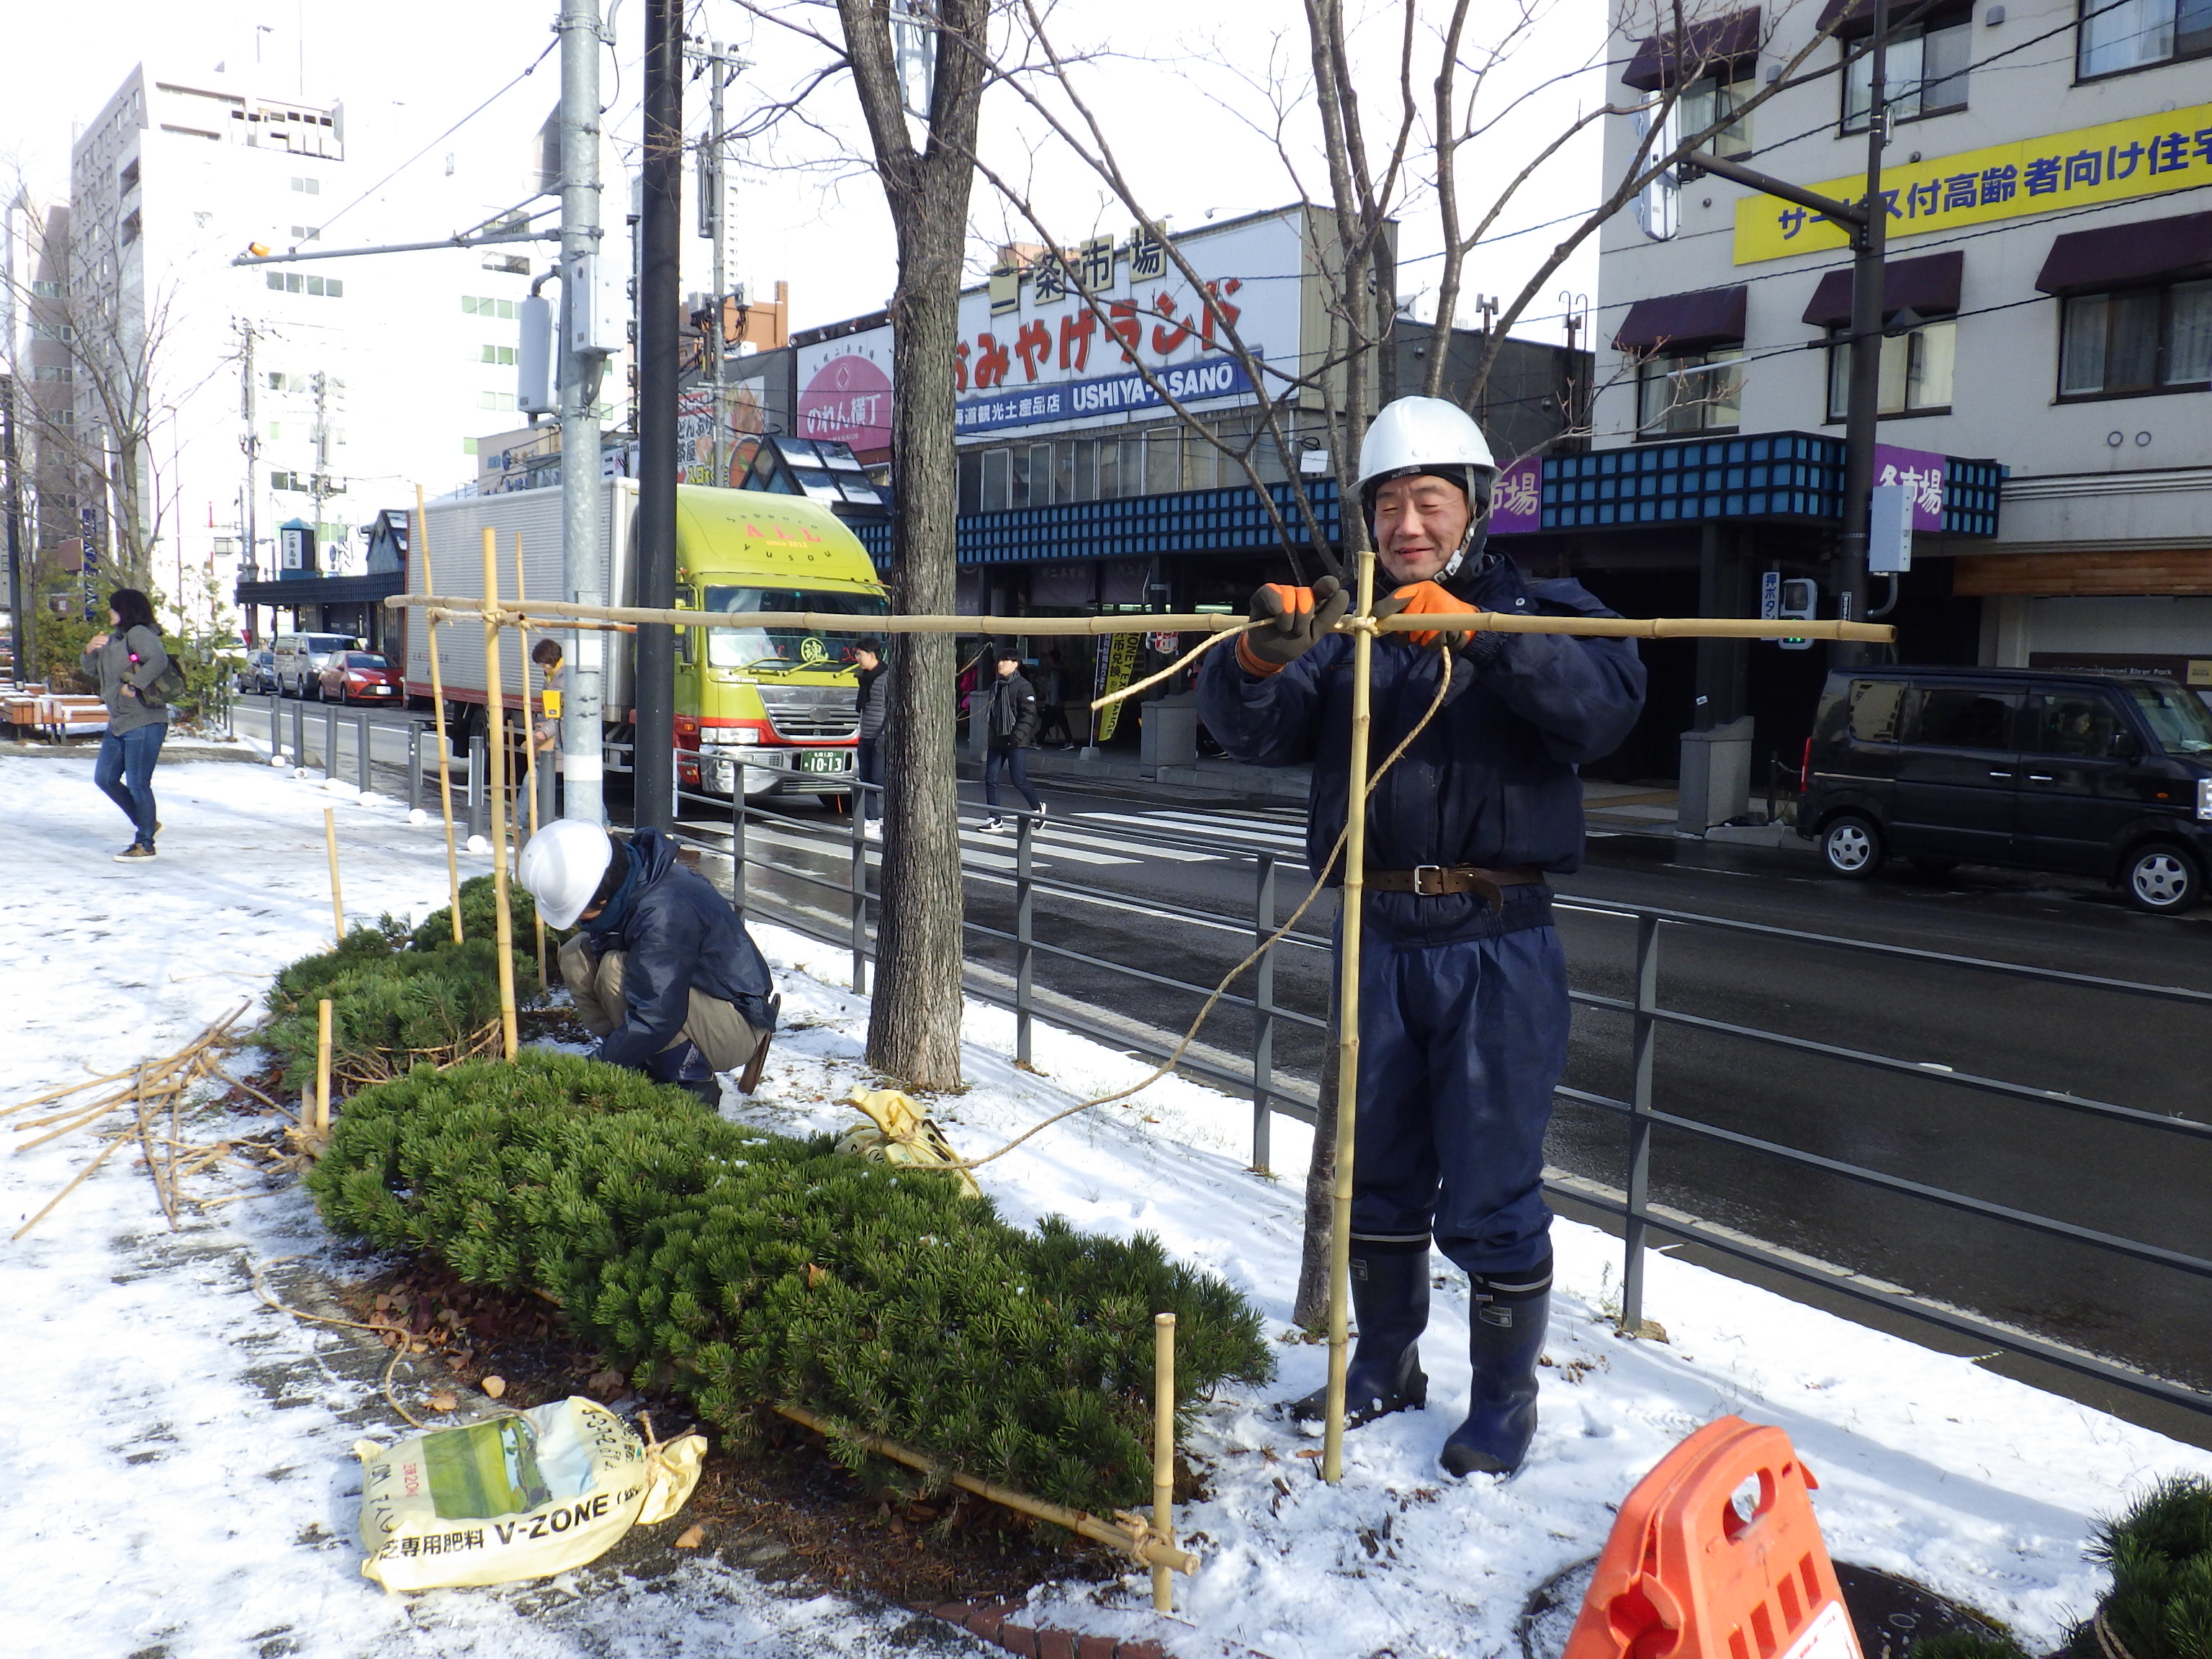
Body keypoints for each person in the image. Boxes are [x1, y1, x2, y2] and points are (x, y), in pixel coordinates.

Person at [1197, 397, 1645, 1478]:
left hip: (1498, 937)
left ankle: (1505, 1401)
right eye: (1388, 502)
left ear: (1474, 508)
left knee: (1493, 1183)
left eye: (1427, 501)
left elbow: (1606, 710)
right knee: (1379, 1172)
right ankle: (1386, 1364)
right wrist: (1258, 658)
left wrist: (1488, 641)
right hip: (1378, 936)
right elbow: (1247, 730)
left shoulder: (1547, 606)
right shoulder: (1352, 627)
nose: (1406, 524)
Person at [518, 818, 780, 1103]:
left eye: (579, 911)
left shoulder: (664, 911)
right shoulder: (632, 879)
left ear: (602, 898)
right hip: (695, 1005)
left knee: (614, 969)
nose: (579, 919)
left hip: (736, 1025)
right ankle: (634, 1061)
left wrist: (589, 1072)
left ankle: (691, 1082)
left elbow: (657, 1015)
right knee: (576, 954)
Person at [84, 588, 173, 862]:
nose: (109, 612)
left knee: (137, 783)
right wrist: (89, 651)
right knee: (105, 778)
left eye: (113, 608)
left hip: (145, 720)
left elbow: (159, 660)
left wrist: (134, 685)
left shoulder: (139, 634)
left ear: (126, 610)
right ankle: (147, 822)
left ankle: (145, 843)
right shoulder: (115, 639)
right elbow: (91, 670)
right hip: (120, 721)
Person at [979, 646, 1043, 832]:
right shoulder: (996, 686)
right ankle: (995, 818)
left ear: (1015, 664)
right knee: (991, 778)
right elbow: (993, 713)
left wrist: (1017, 737)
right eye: (999, 660)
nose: (1000, 664)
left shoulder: (1023, 687)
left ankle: (1037, 808)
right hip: (997, 740)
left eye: (1005, 661)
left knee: (1019, 779)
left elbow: (1029, 715)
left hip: (1016, 742)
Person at [852, 637, 891, 835]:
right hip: (865, 734)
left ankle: (892, 815)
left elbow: (891, 709)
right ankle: (871, 819)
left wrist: (883, 735)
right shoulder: (863, 677)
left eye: (860, 654)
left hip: (881, 737)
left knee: (879, 778)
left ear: (872, 655)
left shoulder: (886, 677)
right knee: (865, 778)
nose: (857, 658)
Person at [1034, 645, 1074, 748]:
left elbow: (1054, 688)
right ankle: (1069, 741)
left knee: (1048, 722)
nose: (1047, 660)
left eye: (1048, 658)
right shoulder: (1062, 669)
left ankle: (1039, 742)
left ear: (1052, 658)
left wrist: (1052, 703)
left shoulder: (1054, 671)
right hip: (1057, 701)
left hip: (1053, 701)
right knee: (1059, 721)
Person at [531, 637, 565, 753]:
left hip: (561, 737)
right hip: (557, 733)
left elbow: (562, 713)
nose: (543, 669)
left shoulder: (562, 678)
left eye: (544, 665)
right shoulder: (552, 676)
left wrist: (545, 731)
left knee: (553, 768)